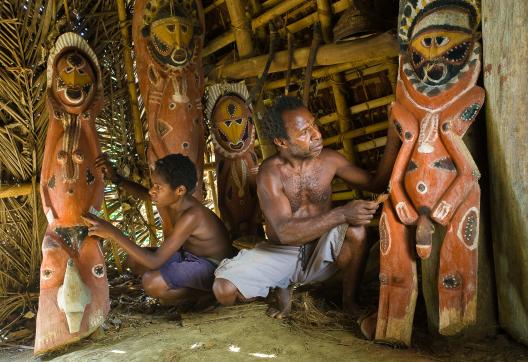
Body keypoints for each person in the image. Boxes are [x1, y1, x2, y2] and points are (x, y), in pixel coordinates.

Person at [212, 96, 400, 321]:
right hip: (282, 252)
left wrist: (392, 133)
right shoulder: (270, 173)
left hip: (322, 249)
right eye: (304, 132)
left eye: (314, 125)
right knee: (224, 290)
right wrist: (341, 213)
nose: (317, 135)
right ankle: (279, 285)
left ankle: (349, 302)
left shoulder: (330, 160)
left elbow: (376, 184)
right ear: (281, 141)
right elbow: (285, 232)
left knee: (356, 231)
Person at [83, 154, 232, 307]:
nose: (152, 191)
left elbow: (154, 262)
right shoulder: (173, 199)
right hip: (189, 257)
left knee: (151, 283)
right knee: (134, 260)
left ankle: (208, 293)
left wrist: (112, 232)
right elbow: (143, 193)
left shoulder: (192, 216)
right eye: (153, 185)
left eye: (158, 187)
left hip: (213, 267)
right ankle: (181, 292)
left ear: (180, 190)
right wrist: (116, 178)